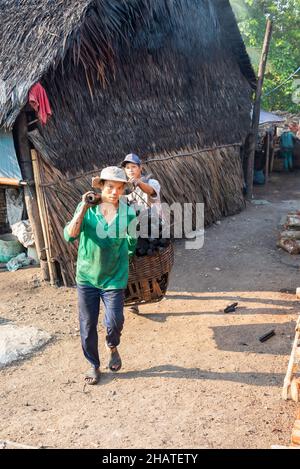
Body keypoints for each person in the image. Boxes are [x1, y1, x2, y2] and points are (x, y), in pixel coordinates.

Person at [64, 167, 137, 385]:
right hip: (87, 277)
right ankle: (93, 364)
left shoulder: (128, 213)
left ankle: (112, 345)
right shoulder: (87, 208)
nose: (114, 192)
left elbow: (132, 241)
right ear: (101, 187)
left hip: (114, 277)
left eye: (119, 188)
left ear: (123, 190)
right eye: (110, 187)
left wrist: (125, 258)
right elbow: (69, 235)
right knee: (87, 325)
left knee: (115, 321)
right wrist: (84, 207)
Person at [121, 153, 162, 314]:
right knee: (133, 263)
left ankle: (154, 289)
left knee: (150, 262)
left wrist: (139, 183)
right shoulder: (124, 188)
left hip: (153, 230)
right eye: (127, 168)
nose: (130, 170)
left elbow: (151, 192)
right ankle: (135, 300)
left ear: (140, 168)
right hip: (134, 231)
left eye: (133, 167)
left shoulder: (151, 182)